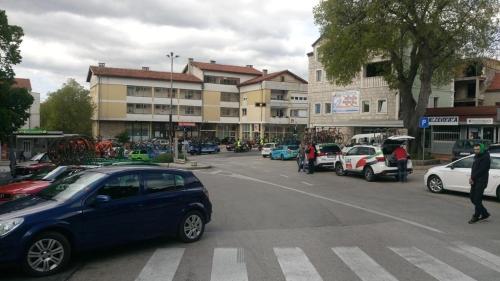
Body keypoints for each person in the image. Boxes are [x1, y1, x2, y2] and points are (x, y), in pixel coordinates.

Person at [468, 143, 491, 224]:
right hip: (475, 180)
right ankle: (484, 213)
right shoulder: (476, 156)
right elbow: (474, 168)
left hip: (481, 181)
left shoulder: (486, 157)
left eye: (477, 149)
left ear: (481, 149)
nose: (476, 151)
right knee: (472, 198)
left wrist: (472, 177)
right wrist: (472, 178)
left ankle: (476, 216)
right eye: (474, 149)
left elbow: (482, 170)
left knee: (477, 199)